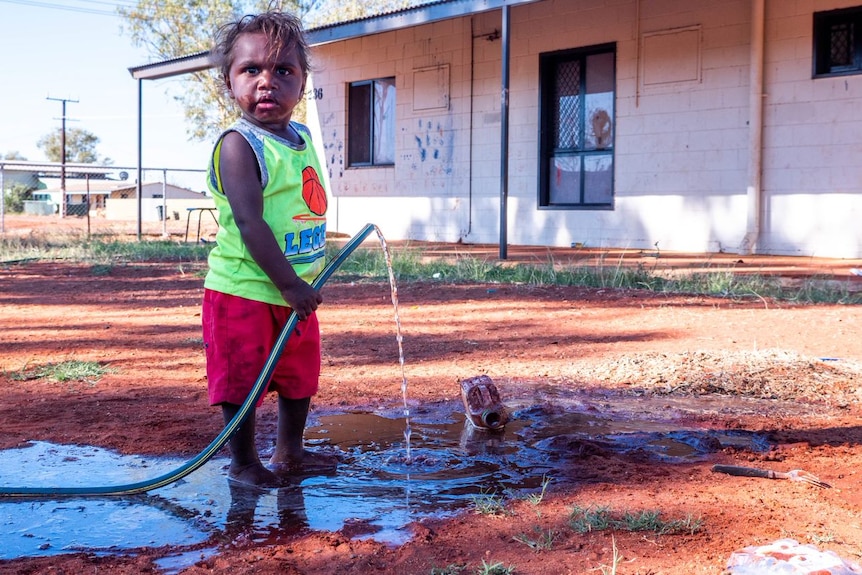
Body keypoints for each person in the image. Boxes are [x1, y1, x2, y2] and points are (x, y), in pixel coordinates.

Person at [202, 10, 333, 487]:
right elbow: (249, 221)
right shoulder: (239, 145)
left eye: (283, 71)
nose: (266, 82)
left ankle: (290, 451)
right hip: (246, 291)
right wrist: (290, 283)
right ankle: (243, 464)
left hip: (295, 292)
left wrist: (302, 280)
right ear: (228, 81)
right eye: (251, 70)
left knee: (299, 377)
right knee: (241, 381)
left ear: (302, 83)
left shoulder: (300, 139)